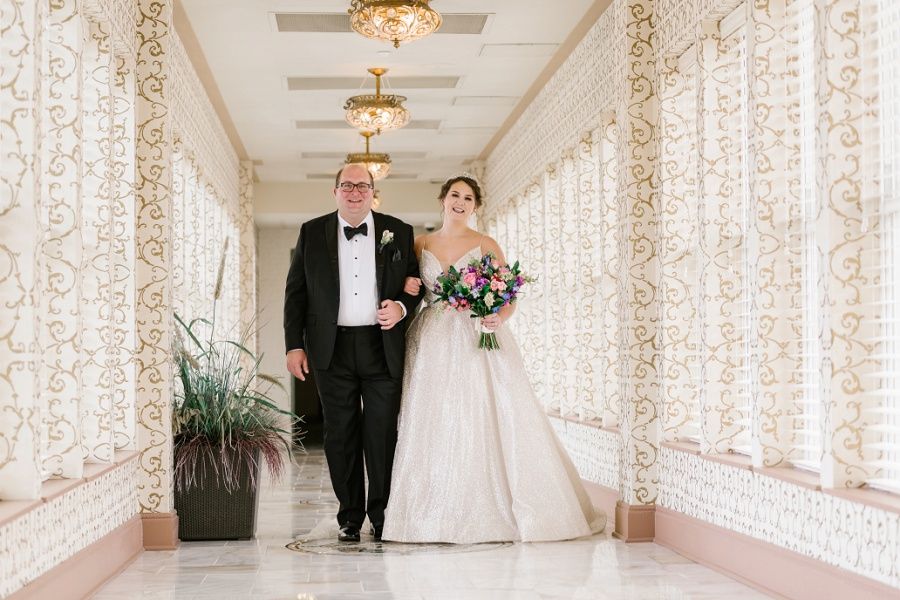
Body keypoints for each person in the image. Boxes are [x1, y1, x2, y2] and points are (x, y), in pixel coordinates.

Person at [382, 174, 605, 544]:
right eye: (454, 195)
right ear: (442, 199)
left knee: (483, 412)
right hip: (432, 339)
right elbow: (405, 287)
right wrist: (407, 286)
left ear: (475, 206)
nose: (460, 202)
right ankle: (428, 512)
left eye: (468, 198)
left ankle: (496, 506)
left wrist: (499, 316)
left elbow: (507, 293)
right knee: (434, 417)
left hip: (475, 335)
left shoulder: (485, 243)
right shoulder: (420, 243)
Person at [284, 163, 422, 543]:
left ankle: (381, 515)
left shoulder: (400, 231)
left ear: (373, 192)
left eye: (363, 186)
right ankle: (349, 517)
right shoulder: (312, 232)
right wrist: (294, 344)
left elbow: (416, 283)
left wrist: (402, 307)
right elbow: (295, 293)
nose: (355, 192)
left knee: (381, 433)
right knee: (339, 433)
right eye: (347, 185)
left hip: (382, 348)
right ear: (335, 192)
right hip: (332, 348)